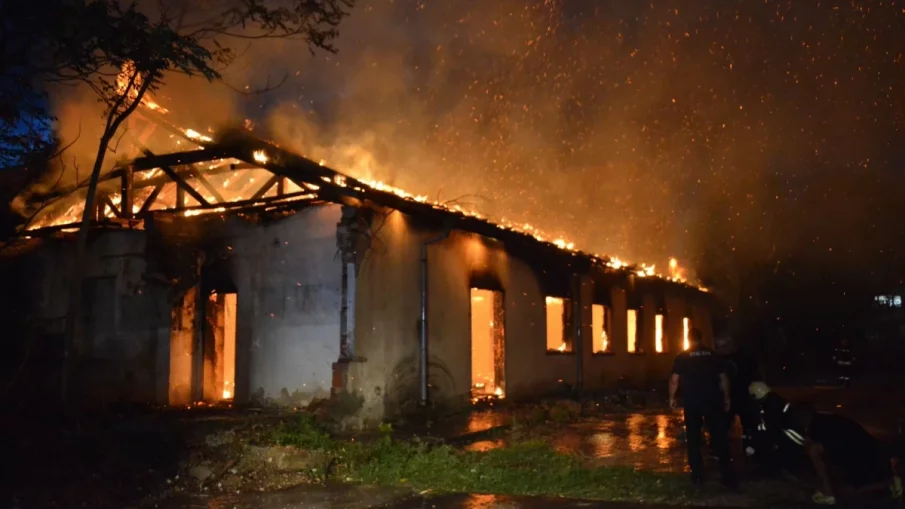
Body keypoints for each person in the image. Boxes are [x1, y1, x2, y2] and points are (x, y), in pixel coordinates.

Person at [748, 381, 901, 506]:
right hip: (867, 449)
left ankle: (888, 483)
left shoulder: (818, 428)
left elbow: (825, 448)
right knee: (844, 481)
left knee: (848, 492)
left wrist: (826, 484)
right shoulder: (822, 420)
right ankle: (889, 481)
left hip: (864, 455)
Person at [669, 328, 736, 487]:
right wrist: (727, 398)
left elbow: (674, 380)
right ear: (702, 338)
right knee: (719, 436)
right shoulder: (714, 356)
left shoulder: (682, 357)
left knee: (693, 438)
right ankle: (726, 474)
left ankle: (697, 475)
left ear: (688, 338)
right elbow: (723, 378)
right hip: (713, 401)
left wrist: (672, 398)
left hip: (692, 402)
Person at [715, 335, 762, 461]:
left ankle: (752, 451)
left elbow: (755, 375)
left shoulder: (745, 357)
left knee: (749, 424)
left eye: (722, 346)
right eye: (718, 346)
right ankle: (719, 451)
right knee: (722, 424)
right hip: (728, 397)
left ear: (730, 345)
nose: (720, 349)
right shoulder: (719, 359)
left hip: (745, 396)